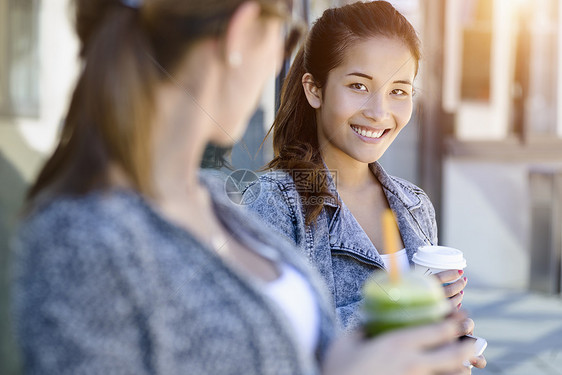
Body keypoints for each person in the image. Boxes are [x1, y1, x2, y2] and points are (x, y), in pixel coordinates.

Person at [12, 0, 475, 374]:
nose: (280, 60)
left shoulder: (214, 207)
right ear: (243, 31)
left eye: (400, 90)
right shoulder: (83, 239)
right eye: (285, 35)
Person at [244, 1, 485, 368]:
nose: (378, 111)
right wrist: (399, 310)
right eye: (359, 85)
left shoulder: (416, 205)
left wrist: (449, 351)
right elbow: (262, 347)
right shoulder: (273, 203)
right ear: (315, 89)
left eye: (399, 91)